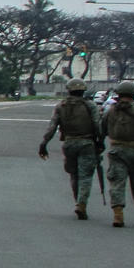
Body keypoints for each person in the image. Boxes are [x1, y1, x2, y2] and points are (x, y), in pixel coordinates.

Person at [37, 78, 103, 219]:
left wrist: (44, 143)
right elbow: (98, 125)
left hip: (69, 143)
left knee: (74, 175)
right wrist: (100, 141)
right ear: (83, 90)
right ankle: (81, 203)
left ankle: (77, 202)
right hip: (86, 142)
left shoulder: (61, 106)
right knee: (85, 176)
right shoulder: (90, 105)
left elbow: (52, 127)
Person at [101, 80, 134, 227]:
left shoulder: (110, 111)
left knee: (117, 183)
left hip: (117, 151)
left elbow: (102, 130)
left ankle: (118, 215)